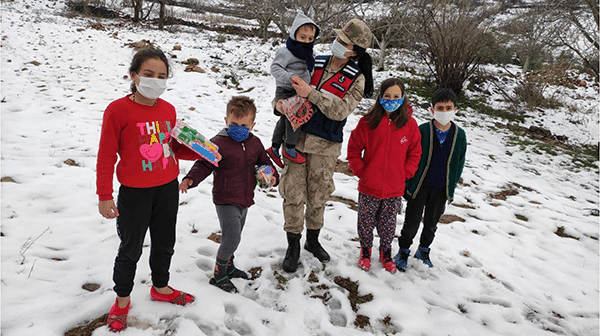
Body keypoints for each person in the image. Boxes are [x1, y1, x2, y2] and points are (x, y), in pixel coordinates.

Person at [96, 47, 199, 332]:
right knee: (130, 249)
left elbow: (172, 146)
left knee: (165, 243)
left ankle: (161, 287)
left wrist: (201, 151)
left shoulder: (168, 109)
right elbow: (106, 155)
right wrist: (104, 195)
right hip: (134, 193)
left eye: (162, 76)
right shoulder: (118, 110)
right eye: (149, 74)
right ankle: (122, 299)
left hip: (167, 189)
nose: (156, 80)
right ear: (134, 75)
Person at [279, 18, 375, 273]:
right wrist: (277, 106)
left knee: (318, 195)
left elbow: (340, 110)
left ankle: (312, 240)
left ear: (354, 51)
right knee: (292, 194)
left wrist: (311, 93)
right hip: (296, 140)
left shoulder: (357, 79)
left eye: (344, 42)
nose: (337, 44)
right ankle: (293, 245)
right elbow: (286, 89)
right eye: (338, 39)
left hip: (325, 146)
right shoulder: (314, 61)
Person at [179, 96, 279, 293]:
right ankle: (219, 275)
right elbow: (204, 163)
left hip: (244, 198)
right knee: (232, 238)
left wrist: (272, 175)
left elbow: (265, 162)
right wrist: (190, 179)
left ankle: (229, 267)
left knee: (235, 235)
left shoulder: (255, 143)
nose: (238, 128)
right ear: (226, 121)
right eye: (234, 123)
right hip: (225, 198)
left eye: (243, 124)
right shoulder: (218, 143)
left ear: (252, 124)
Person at [347, 78, 422, 274]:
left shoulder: (410, 125)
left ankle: (386, 252)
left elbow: (415, 152)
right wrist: (362, 172)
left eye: (396, 96)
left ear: (403, 98)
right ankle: (365, 251)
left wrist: (405, 173)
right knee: (365, 221)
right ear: (380, 97)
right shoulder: (368, 123)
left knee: (388, 224)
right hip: (369, 186)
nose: (391, 100)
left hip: (394, 188)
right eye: (387, 96)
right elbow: (354, 148)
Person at [394, 87, 467, 271]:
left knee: (432, 222)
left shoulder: (459, 135)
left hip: (441, 188)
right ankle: (403, 250)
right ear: (432, 109)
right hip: (420, 185)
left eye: (448, 108)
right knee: (412, 221)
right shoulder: (423, 130)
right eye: (440, 108)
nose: (444, 112)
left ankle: (424, 250)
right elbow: (410, 155)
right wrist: (407, 182)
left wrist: (451, 186)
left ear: (455, 109)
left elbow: (459, 162)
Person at [266, 12, 319, 167]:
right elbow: (275, 69)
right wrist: (290, 77)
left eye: (310, 38)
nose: (306, 41)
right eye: (302, 37)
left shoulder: (311, 54)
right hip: (286, 89)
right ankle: (290, 148)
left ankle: (274, 147)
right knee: (294, 119)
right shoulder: (285, 52)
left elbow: (312, 70)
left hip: (300, 90)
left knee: (284, 119)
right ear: (294, 34)